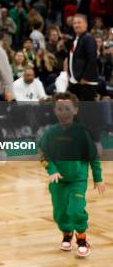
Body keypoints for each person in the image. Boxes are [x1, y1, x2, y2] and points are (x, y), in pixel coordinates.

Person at [38, 92, 105, 258]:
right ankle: (67, 234)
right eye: (60, 108)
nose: (63, 112)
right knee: (60, 213)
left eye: (67, 108)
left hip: (77, 180)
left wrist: (98, 178)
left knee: (76, 210)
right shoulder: (50, 133)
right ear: (55, 111)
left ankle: (82, 240)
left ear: (75, 110)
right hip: (58, 183)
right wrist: (52, 170)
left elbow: (93, 157)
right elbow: (43, 155)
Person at [68, 14, 98, 101]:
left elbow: (92, 59)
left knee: (86, 112)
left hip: (86, 82)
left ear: (86, 24)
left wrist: (85, 78)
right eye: (74, 23)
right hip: (76, 81)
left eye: (79, 22)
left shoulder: (88, 38)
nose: (76, 25)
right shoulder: (76, 39)